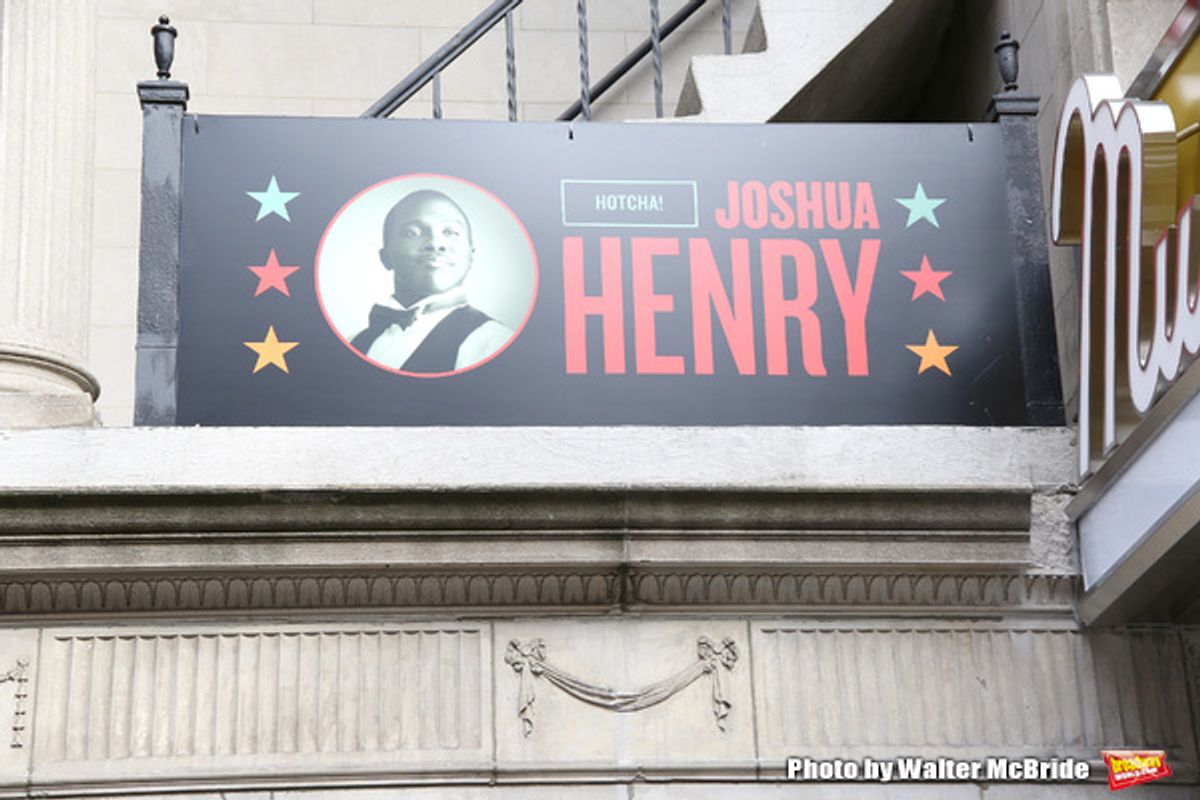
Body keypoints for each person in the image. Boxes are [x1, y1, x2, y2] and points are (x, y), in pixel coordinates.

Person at [350, 189, 513, 373]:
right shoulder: (353, 342)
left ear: (470, 256)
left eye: (451, 232)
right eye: (412, 233)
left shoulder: (493, 342)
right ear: (385, 257)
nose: (436, 243)